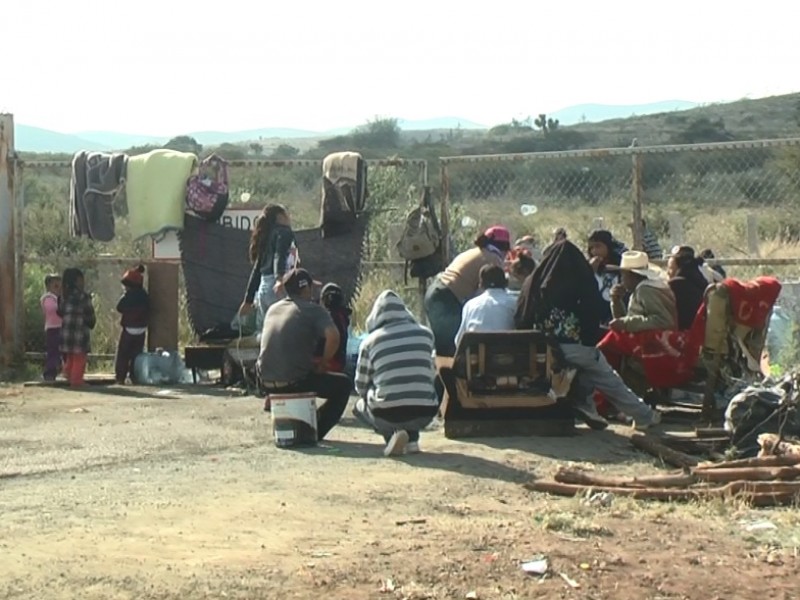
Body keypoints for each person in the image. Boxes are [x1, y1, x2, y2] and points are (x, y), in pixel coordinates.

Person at [515, 241, 661, 430]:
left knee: (585, 367)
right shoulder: (581, 281)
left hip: (538, 348)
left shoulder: (533, 283)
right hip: (573, 347)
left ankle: (587, 405)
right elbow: (594, 316)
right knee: (606, 376)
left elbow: (520, 316)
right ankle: (644, 415)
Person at [257, 268, 351, 441]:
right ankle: (312, 430)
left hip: (265, 382)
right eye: (311, 287)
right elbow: (334, 336)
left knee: (303, 372)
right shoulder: (312, 310)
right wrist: (323, 362)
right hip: (294, 381)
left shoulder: (273, 309)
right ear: (305, 288)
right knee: (343, 385)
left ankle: (298, 424)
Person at [354, 291, 438, 456]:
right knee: (415, 387)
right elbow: (430, 372)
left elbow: (360, 385)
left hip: (387, 414)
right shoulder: (426, 334)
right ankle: (412, 439)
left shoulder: (369, 342)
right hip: (425, 411)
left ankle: (391, 437)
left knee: (359, 406)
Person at [424, 225, 510, 357]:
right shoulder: (493, 259)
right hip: (447, 299)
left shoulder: (474, 252)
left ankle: (440, 375)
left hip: (436, 292)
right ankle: (447, 377)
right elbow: (490, 295)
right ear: (504, 248)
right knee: (452, 351)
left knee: (443, 348)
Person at [240, 204, 299, 331]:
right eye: (286, 214)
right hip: (279, 287)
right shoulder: (284, 232)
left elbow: (257, 269)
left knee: (265, 333)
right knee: (283, 332)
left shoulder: (266, 236)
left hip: (263, 289)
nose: (289, 217)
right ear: (280, 217)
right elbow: (280, 254)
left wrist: (248, 300)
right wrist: (279, 278)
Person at [608, 251, 677, 334]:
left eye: (623, 275)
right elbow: (627, 323)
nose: (621, 279)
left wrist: (626, 323)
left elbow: (663, 321)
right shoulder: (640, 290)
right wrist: (616, 301)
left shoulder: (645, 290)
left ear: (631, 275)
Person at [454, 265, 517, 348]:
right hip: (507, 357)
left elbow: (459, 340)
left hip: (477, 358)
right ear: (506, 282)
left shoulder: (470, 305)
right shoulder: (514, 303)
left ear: (481, 285)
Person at [58, 268, 96, 388]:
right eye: (81, 280)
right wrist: (91, 322)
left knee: (70, 356)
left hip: (66, 332)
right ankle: (76, 381)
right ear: (76, 281)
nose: (83, 283)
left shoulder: (64, 296)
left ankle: (68, 375)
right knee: (80, 357)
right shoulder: (83, 297)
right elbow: (89, 313)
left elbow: (60, 311)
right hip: (79, 332)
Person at [114, 264, 150, 384]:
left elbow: (119, 307)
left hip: (129, 329)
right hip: (141, 329)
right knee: (136, 355)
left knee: (123, 354)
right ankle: (134, 377)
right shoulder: (144, 296)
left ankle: (120, 377)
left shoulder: (128, 296)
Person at [665, 246, 708, 330]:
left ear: (678, 267)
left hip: (685, 335)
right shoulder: (701, 280)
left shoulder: (675, 285)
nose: (667, 272)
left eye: (670, 268)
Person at [587, 229, 624, 324]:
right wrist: (590, 271)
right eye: (591, 248)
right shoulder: (588, 266)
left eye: (598, 246)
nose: (594, 251)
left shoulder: (620, 263)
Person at [319, 282, 351, 373]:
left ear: (322, 301)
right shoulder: (343, 317)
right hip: (339, 365)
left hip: (325, 365)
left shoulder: (323, 317)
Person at [41, 274, 62, 381]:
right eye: (55, 285)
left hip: (62, 327)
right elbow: (52, 309)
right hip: (52, 329)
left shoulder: (60, 298)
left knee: (61, 351)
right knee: (53, 351)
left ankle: (60, 369)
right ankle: (49, 372)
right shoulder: (48, 298)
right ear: (48, 287)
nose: (58, 287)